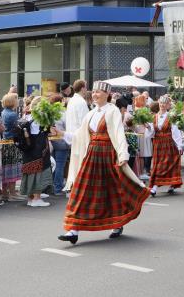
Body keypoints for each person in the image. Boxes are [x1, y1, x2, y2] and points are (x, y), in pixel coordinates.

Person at [57, 81, 150, 244]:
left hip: (107, 156)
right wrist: (62, 133)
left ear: (107, 94)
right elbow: (79, 136)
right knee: (81, 190)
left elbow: (119, 133)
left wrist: (123, 155)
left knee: (112, 191)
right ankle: (73, 230)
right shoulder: (91, 113)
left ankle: (117, 223)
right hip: (92, 156)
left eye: (98, 92)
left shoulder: (112, 111)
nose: (94, 94)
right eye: (93, 92)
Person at [20, 97, 52, 207]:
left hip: (28, 150)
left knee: (30, 172)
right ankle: (37, 198)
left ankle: (30, 198)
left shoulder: (27, 116)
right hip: (38, 150)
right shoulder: (40, 119)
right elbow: (47, 132)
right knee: (38, 172)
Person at [149, 95, 184, 196]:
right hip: (158, 144)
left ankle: (156, 187)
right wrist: (148, 127)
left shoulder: (171, 116)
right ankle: (165, 185)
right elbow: (151, 133)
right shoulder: (154, 116)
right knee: (158, 165)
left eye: (164, 104)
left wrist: (179, 145)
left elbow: (175, 132)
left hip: (168, 143)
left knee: (167, 165)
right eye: (161, 103)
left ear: (168, 105)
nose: (162, 105)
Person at [0, 93, 25, 202]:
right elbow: (18, 129)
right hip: (12, 143)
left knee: (6, 168)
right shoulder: (13, 114)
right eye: (16, 99)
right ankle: (13, 192)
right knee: (13, 168)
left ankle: (5, 192)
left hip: (5, 142)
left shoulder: (3, 112)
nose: (18, 101)